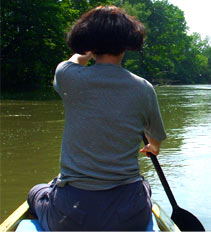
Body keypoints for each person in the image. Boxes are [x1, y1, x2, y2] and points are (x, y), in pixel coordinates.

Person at [27, 5, 166, 231]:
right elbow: (157, 139)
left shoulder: (67, 77)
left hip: (72, 216)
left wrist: (87, 51)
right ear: (126, 45)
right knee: (144, 186)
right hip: (129, 216)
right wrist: (153, 147)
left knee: (36, 192)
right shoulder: (143, 88)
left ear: (88, 42)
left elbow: (75, 61)